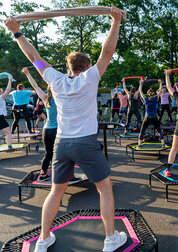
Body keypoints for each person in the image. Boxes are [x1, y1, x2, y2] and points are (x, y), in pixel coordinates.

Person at [5, 7, 127, 252]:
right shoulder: (91, 77)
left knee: (55, 192)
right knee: (104, 188)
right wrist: (115, 21)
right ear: (87, 65)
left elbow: (35, 59)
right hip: (85, 143)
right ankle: (111, 238)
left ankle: (43, 239)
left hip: (62, 144)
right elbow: (108, 51)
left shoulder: (55, 79)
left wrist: (17, 34)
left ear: (68, 66)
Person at [22, 67, 57, 181]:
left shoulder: (46, 98)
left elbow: (35, 86)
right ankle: (65, 175)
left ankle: (42, 174)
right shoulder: (61, 98)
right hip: (57, 130)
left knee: (48, 153)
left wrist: (27, 74)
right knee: (62, 154)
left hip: (46, 130)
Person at [138, 79, 165, 148]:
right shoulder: (155, 98)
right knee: (159, 130)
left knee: (142, 131)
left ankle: (139, 145)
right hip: (154, 117)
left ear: (147, 94)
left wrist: (141, 83)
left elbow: (140, 91)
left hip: (147, 117)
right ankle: (163, 144)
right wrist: (160, 83)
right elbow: (160, 91)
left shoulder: (146, 99)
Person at [0, 75, 13, 151]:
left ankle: (9, 146)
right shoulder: (0, 97)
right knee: (8, 131)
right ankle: (9, 146)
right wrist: (10, 80)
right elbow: (8, 90)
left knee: (6, 131)